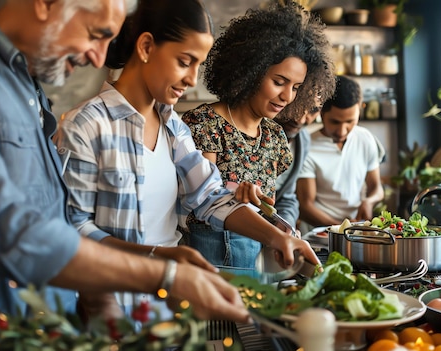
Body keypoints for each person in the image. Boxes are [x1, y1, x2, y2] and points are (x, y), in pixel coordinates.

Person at [0, 1, 254, 349]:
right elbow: (6, 229)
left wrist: (98, 300)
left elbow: (54, 217)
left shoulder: (27, 86)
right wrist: (164, 275)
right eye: (95, 34)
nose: (99, 59)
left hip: (48, 328)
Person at [54, 0, 319, 319]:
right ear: (147, 46)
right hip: (113, 312)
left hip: (170, 311)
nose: (192, 79)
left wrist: (277, 236)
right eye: (185, 61)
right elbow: (73, 230)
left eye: (199, 65)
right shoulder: (86, 125)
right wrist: (161, 259)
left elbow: (209, 196)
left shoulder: (173, 127)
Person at [181, 2, 335, 269]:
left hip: (256, 259)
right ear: (250, 71)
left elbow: (271, 205)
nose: (287, 97)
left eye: (296, 87)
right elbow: (200, 199)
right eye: (279, 82)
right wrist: (234, 191)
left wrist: (282, 229)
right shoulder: (205, 123)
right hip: (207, 258)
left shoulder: (274, 136)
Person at [296, 76, 385, 232]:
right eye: (335, 122)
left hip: (356, 229)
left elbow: (376, 188)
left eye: (350, 121)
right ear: (321, 113)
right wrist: (340, 228)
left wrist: (368, 202)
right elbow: (305, 206)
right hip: (319, 232)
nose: (342, 131)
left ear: (360, 109)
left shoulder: (365, 138)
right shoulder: (306, 146)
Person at [273, 97, 323, 228]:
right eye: (296, 105)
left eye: (313, 110)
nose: (300, 119)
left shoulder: (303, 140)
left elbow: (286, 197)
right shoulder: (254, 133)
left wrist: (286, 224)